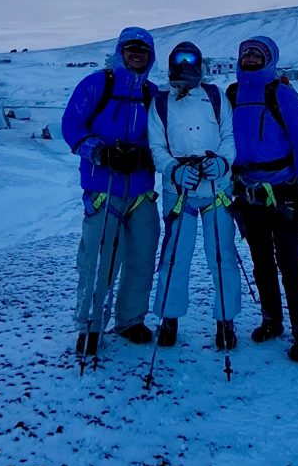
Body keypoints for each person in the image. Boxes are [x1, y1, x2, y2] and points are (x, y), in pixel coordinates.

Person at [61, 27, 160, 354]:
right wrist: (100, 152)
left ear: (150, 57)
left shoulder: (152, 94)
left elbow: (164, 140)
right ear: (120, 51)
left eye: (143, 51)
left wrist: (145, 155)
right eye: (131, 49)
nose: (136, 55)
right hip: (103, 189)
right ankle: (90, 326)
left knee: (142, 258)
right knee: (99, 261)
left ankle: (131, 320)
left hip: (142, 191)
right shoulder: (96, 85)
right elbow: (72, 127)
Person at [228, 34, 298, 362]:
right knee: (262, 262)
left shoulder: (282, 93)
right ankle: (272, 320)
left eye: (257, 54)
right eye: (246, 53)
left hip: (283, 193)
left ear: (269, 58)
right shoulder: (233, 93)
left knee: (290, 263)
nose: (250, 58)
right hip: (247, 193)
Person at [147, 41, 241, 351]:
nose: (186, 66)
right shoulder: (160, 103)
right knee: (176, 256)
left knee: (221, 255)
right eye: (180, 60)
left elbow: (229, 136)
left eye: (191, 61)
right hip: (180, 191)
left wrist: (223, 161)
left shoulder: (215, 97)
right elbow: (157, 148)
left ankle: (225, 321)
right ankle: (169, 317)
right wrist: (174, 170)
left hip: (217, 188)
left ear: (199, 65)